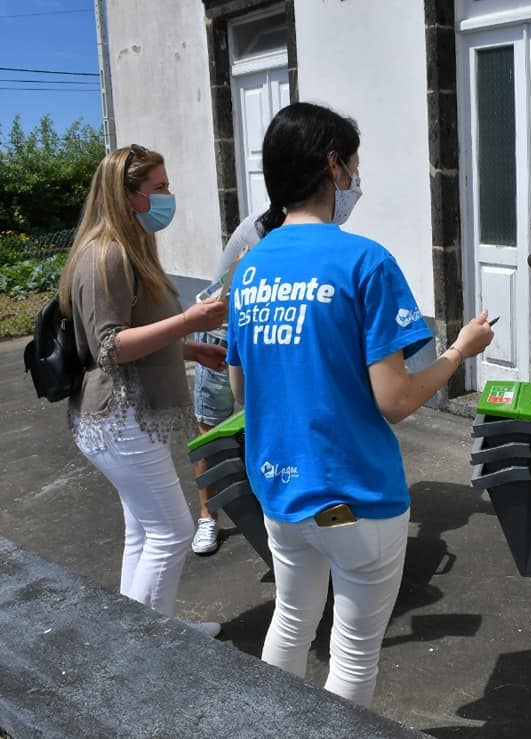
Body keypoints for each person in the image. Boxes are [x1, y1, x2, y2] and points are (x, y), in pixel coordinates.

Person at [225, 102, 494, 707]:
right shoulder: (364, 261)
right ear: (334, 167)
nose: (356, 178)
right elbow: (395, 400)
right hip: (355, 498)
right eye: (353, 165)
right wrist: (459, 351)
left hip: (279, 491)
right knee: (351, 654)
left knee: (291, 620)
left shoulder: (249, 268)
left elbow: (243, 394)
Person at [57, 144, 228, 635]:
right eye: (159, 187)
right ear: (127, 194)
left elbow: (137, 333)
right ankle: (147, 649)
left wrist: (190, 349)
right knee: (172, 532)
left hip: (124, 416)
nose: (169, 196)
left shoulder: (127, 249)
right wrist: (188, 321)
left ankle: (143, 633)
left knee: (143, 530)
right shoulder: (107, 255)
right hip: (120, 417)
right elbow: (110, 347)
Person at [191, 211, 267, 555]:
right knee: (212, 431)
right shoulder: (263, 227)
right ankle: (208, 516)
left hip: (263, 338)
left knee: (265, 424)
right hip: (220, 338)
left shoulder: (312, 223)